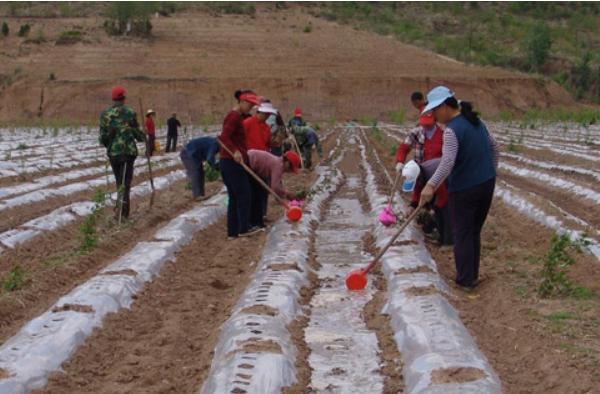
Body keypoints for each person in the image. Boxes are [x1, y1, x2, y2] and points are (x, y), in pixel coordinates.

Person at [419, 86, 499, 291]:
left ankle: (465, 280)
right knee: (473, 231)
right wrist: (490, 170)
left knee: (462, 233)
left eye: (435, 111)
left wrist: (430, 186)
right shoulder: (476, 122)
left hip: (465, 189)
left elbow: (447, 163)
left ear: (445, 106)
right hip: (486, 184)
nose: (434, 116)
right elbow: (494, 147)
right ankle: (471, 275)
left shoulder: (452, 130)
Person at [395, 112, 453, 245]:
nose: (426, 126)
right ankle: (436, 229)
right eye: (423, 123)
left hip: (443, 174)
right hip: (424, 171)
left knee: (443, 207)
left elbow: (442, 196)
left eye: (429, 123)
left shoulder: (446, 133)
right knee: (430, 204)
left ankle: (447, 240)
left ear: (435, 120)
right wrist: (413, 205)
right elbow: (403, 148)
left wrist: (435, 208)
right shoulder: (416, 133)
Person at [219, 90, 263, 239]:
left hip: (230, 162)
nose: (251, 109)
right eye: (250, 105)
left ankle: (233, 232)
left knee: (235, 197)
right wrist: (235, 151)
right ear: (242, 102)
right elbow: (224, 137)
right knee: (244, 194)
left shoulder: (236, 117)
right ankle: (243, 229)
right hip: (231, 163)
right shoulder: (233, 117)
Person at [99, 86, 145, 220]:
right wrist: (144, 136)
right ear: (123, 98)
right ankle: (123, 214)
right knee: (125, 183)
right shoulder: (130, 113)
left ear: (113, 99)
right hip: (128, 152)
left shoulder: (105, 114)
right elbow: (138, 135)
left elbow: (102, 139)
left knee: (119, 182)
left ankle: (120, 211)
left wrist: (110, 138)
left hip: (113, 153)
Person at [247, 149, 301, 228]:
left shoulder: (278, 162)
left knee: (259, 193)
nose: (289, 171)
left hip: (253, 165)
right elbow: (275, 186)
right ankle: (252, 223)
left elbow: (274, 184)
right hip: (248, 162)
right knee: (254, 195)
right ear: (287, 163)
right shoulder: (278, 165)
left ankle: (257, 221)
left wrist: (282, 195)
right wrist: (286, 193)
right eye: (291, 168)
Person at [180, 136, 219, 200]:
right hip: (188, 154)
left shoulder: (214, 142)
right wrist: (216, 166)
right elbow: (209, 158)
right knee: (196, 173)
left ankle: (201, 194)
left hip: (194, 155)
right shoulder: (215, 144)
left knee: (200, 173)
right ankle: (197, 195)